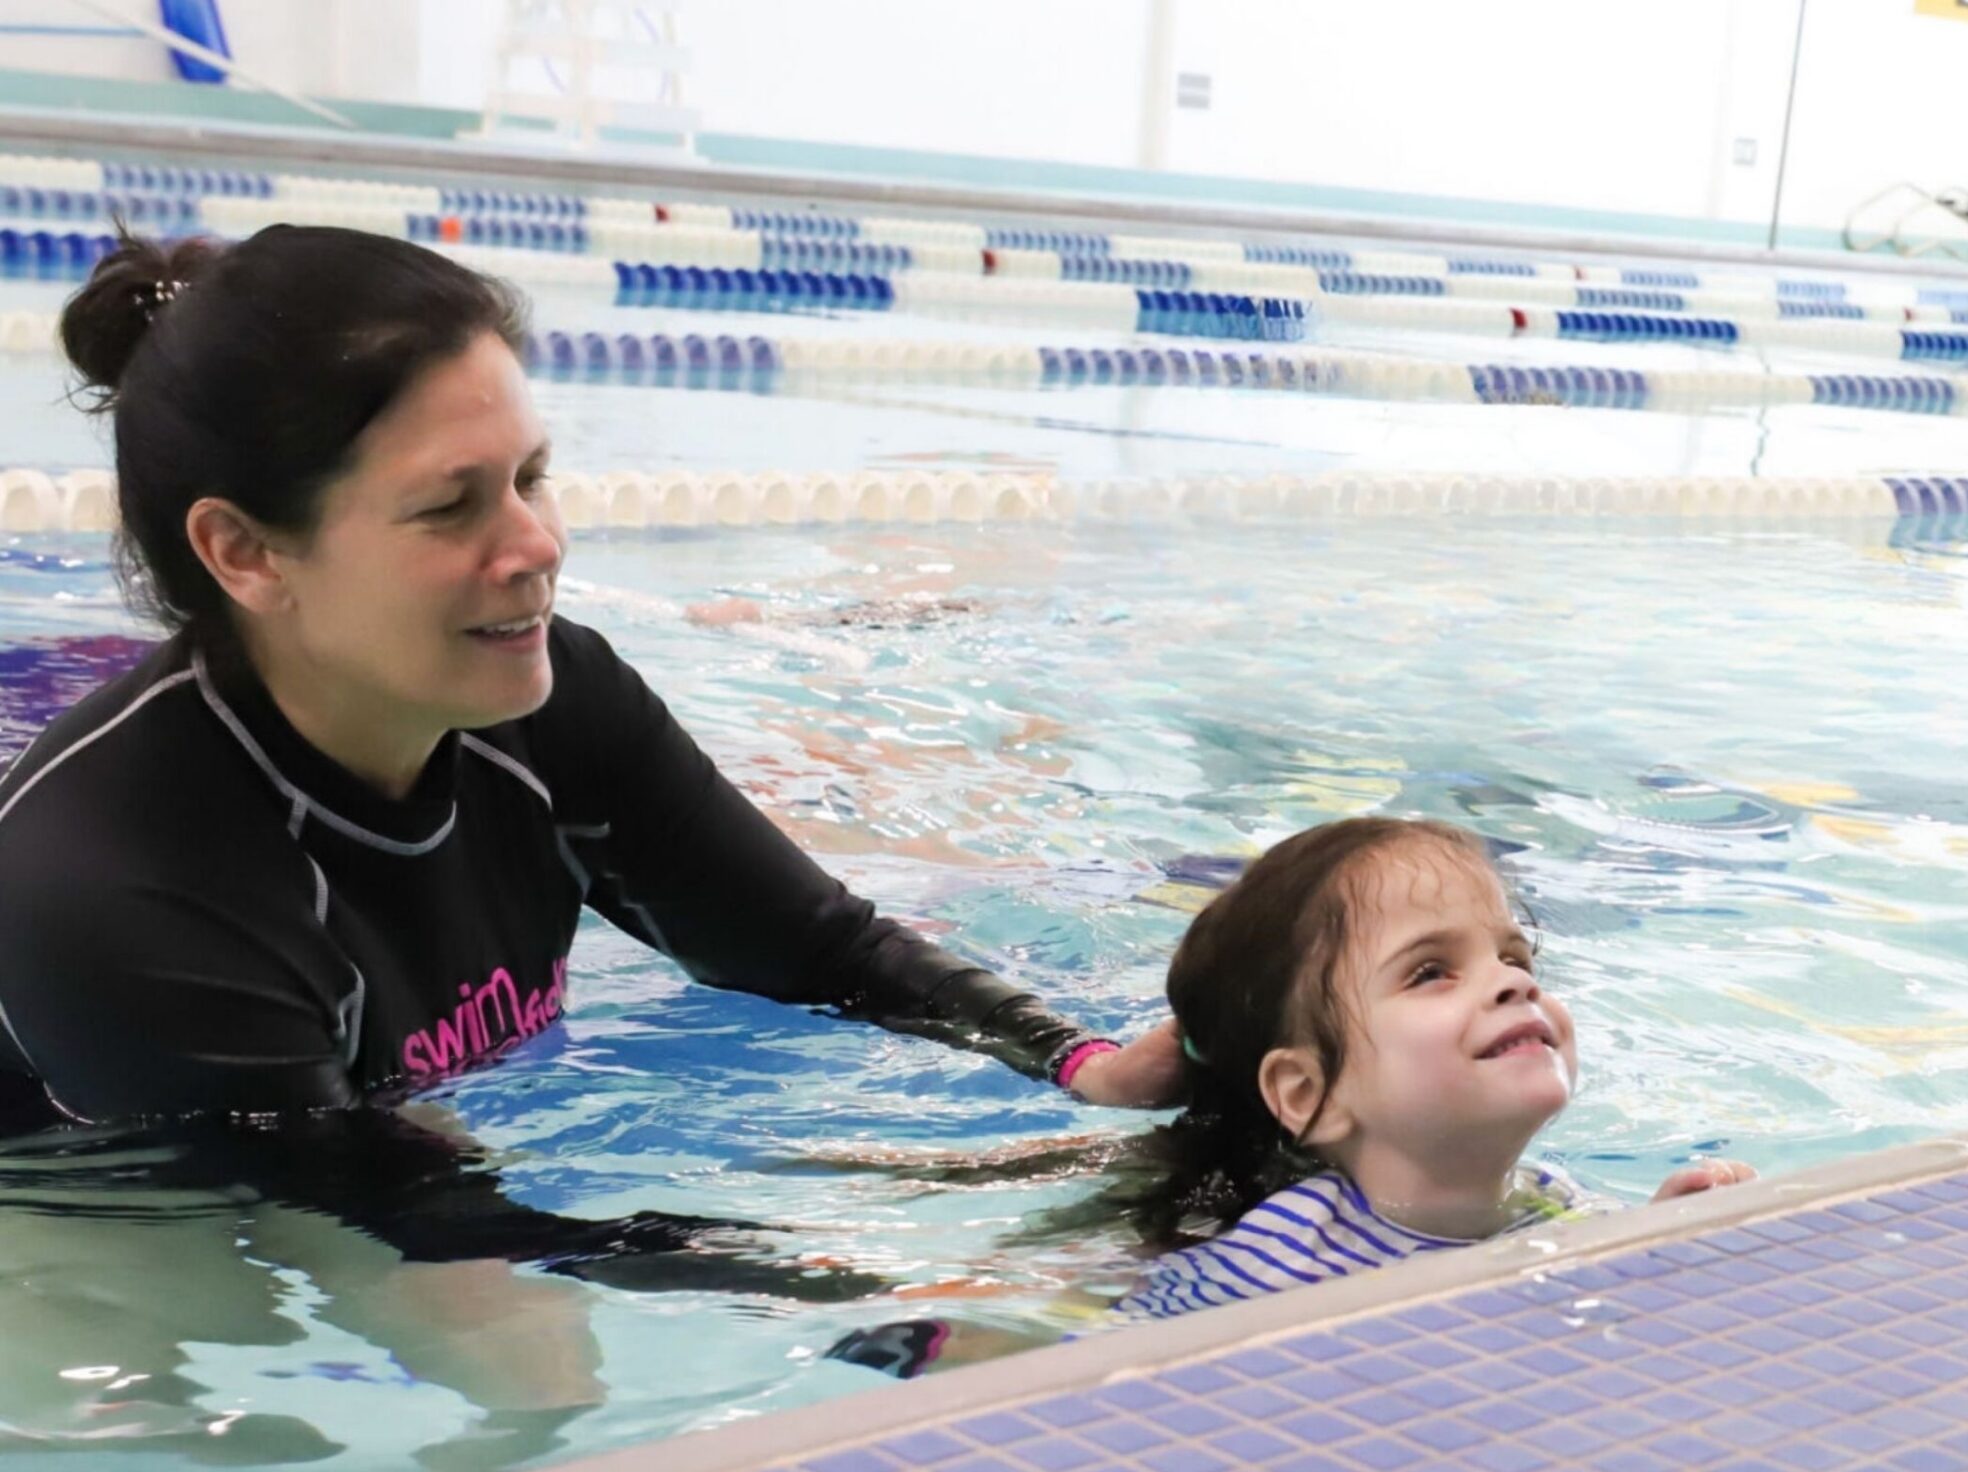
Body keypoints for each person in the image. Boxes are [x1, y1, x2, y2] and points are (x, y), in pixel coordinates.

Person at [0, 225, 1181, 1128]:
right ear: (247, 553)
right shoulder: (121, 884)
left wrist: (1080, 1062)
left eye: (533, 477)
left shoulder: (550, 697)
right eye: (450, 504)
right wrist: (883, 1328)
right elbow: (371, 1228)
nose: (537, 545)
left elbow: (819, 949)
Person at [1111, 816, 1754, 1322]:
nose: (1511, 983)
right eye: (1430, 972)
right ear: (1311, 1094)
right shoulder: (1282, 1264)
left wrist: (1655, 1238)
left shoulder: (1545, 1198)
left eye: (1515, 958)